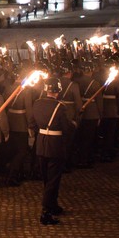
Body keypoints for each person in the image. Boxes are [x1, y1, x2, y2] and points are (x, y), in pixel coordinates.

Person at [29, 77, 74, 225]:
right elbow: (66, 128)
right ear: (58, 91)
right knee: (53, 179)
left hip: (41, 143)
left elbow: (31, 123)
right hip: (55, 145)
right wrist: (73, 124)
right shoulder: (60, 107)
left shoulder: (37, 103)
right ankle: (46, 211)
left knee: (47, 179)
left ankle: (52, 205)